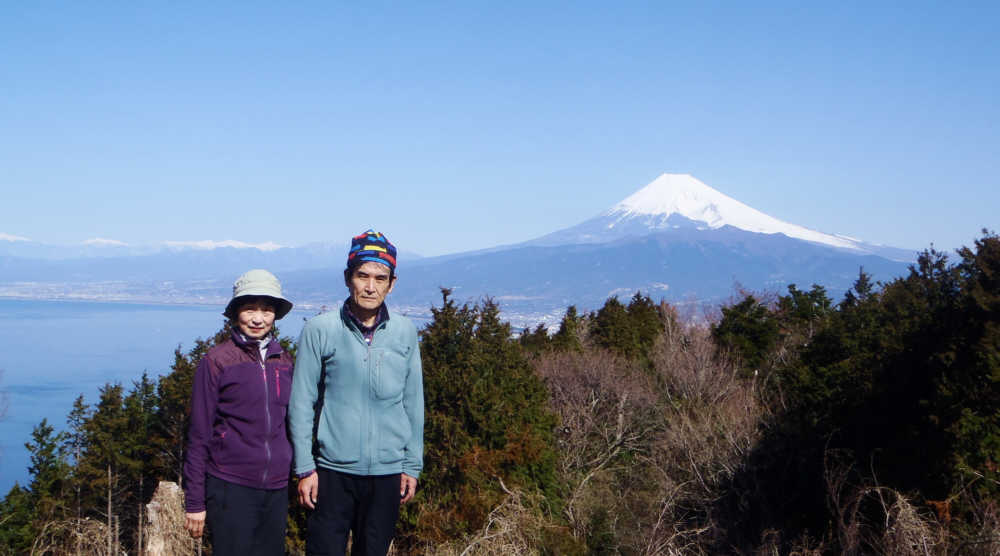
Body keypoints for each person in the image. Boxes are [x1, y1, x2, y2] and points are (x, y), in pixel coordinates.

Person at [289, 230, 424, 556]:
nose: (370, 286)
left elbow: (413, 401)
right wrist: (305, 468)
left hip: (387, 472)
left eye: (380, 278)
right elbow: (301, 402)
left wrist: (412, 465)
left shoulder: (405, 331)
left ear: (392, 283)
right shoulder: (320, 330)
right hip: (332, 471)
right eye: (362, 275)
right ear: (348, 278)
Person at [183, 269, 295, 555]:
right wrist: (195, 502)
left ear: (276, 315)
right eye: (249, 309)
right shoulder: (217, 361)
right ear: (235, 312)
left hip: (277, 486)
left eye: (267, 310)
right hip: (230, 485)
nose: (258, 318)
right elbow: (198, 434)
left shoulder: (284, 361)